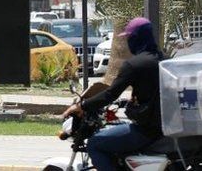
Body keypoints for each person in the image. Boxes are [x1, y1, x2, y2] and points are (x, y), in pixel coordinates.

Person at [61, 17, 164, 171]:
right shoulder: (164, 60)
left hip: (146, 130)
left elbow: (110, 94)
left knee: (95, 143)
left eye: (129, 38)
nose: (128, 42)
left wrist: (82, 105)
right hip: (164, 128)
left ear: (136, 38)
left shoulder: (134, 65)